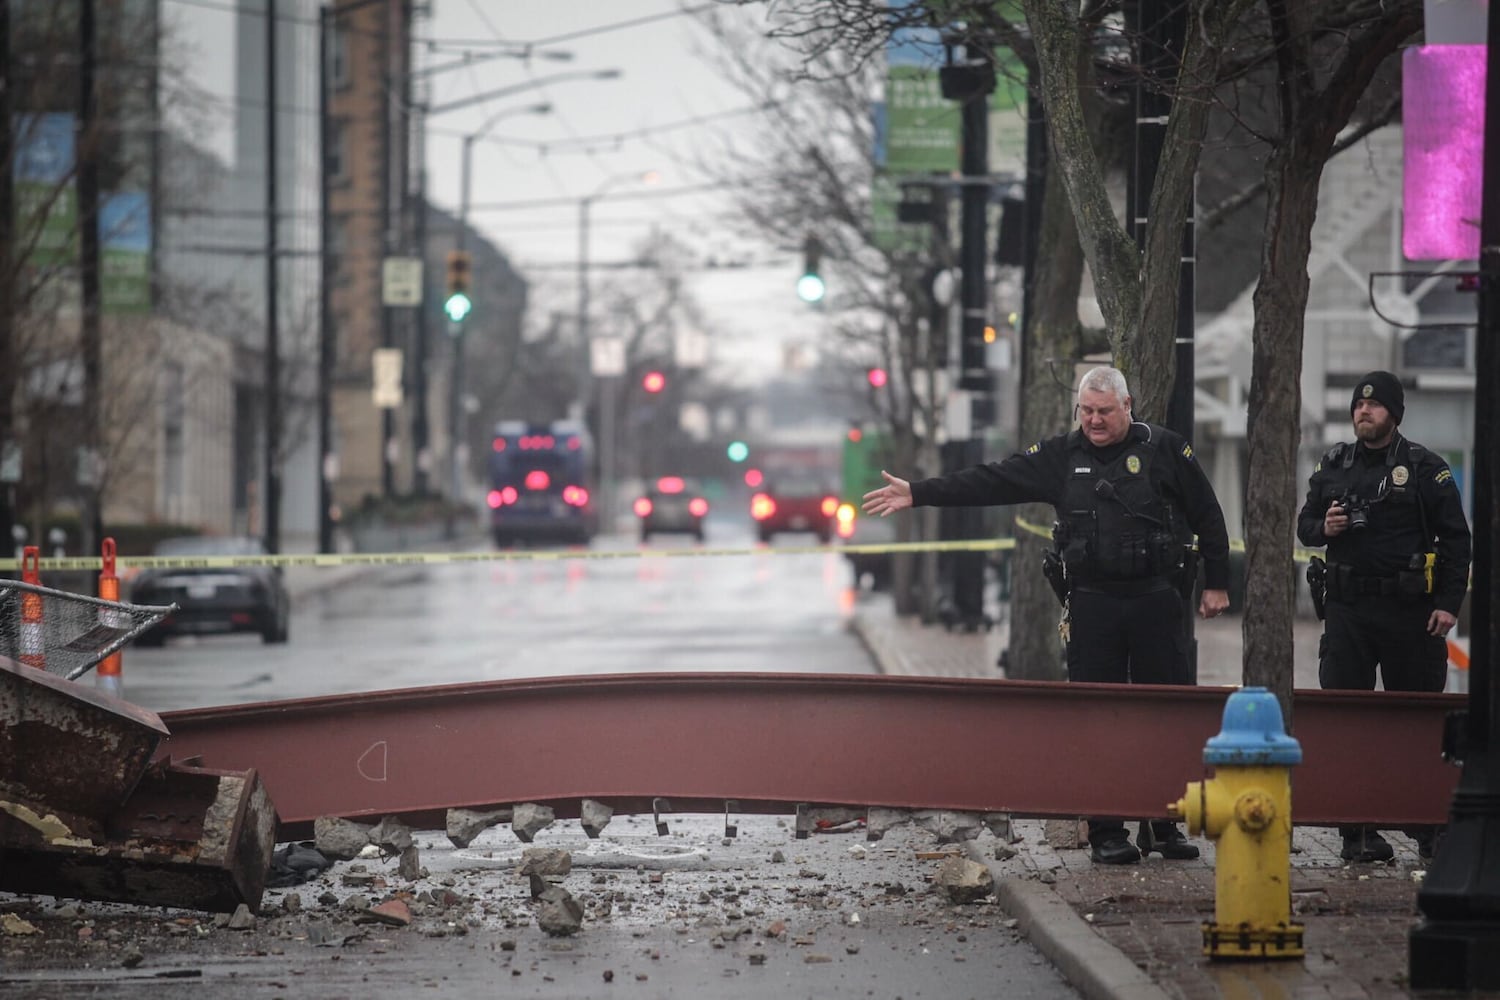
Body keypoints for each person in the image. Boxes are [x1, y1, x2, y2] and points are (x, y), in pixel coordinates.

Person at [863, 365, 1231, 865]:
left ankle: (1162, 824)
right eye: (1086, 411)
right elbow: (992, 480)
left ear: (1128, 406)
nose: (1095, 421)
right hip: (1094, 603)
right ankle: (1106, 829)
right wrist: (920, 492)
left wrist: (1217, 584)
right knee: (1096, 718)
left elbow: (1209, 513)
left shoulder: (1165, 449)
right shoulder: (1062, 455)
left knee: (1161, 713)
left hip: (1156, 599)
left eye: (1104, 411)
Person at [1296, 370, 1471, 864]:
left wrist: (1447, 604)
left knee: (1413, 723)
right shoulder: (1334, 464)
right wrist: (1324, 526)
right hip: (1349, 610)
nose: (1363, 413)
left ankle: (1426, 829)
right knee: (1350, 720)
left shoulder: (1423, 468)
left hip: (1409, 614)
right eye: (1358, 406)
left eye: (1373, 407)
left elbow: (1457, 541)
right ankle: (1357, 830)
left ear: (1393, 414)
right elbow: (1305, 525)